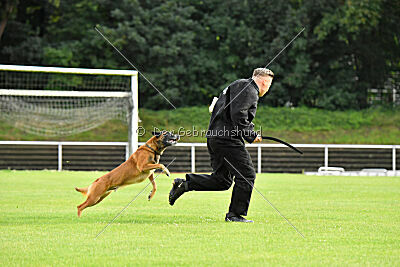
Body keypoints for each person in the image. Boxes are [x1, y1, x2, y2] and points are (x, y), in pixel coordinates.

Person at [168, 68, 274, 222]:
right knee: (247, 175)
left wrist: (248, 132)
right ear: (265, 82)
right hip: (227, 139)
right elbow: (239, 114)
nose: (268, 89)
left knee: (222, 181)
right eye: (269, 85)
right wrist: (250, 134)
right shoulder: (250, 89)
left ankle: (185, 184)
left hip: (215, 137)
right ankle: (234, 215)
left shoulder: (236, 86)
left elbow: (228, 112)